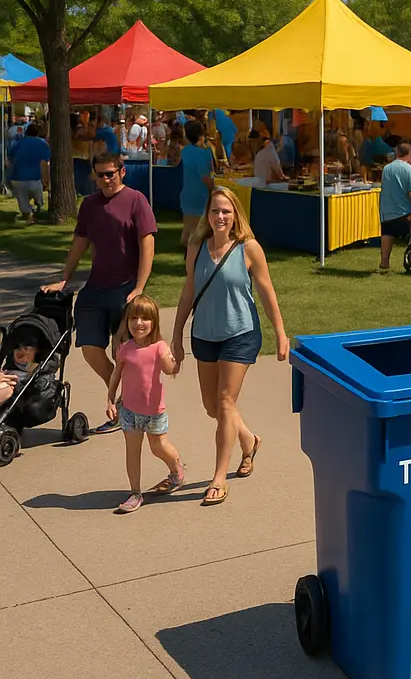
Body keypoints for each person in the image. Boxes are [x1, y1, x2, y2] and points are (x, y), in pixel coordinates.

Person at [171, 187, 288, 507]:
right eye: (214, 211)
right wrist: (176, 334)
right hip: (205, 334)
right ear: (206, 215)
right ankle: (249, 441)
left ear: (235, 214)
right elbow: (188, 291)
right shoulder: (196, 246)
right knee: (214, 407)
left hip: (241, 334)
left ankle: (219, 478)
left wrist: (281, 333)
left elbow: (266, 291)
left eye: (226, 211)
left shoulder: (249, 248)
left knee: (225, 403)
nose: (220, 217)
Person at [40, 152, 156, 434]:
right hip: (94, 289)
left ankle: (129, 404)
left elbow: (147, 244)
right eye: (100, 174)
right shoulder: (90, 205)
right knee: (90, 348)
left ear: (122, 172)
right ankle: (122, 394)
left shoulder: (136, 200)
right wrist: (64, 278)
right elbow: (79, 242)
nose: (105, 179)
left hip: (125, 288)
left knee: (121, 351)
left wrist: (139, 288)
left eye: (110, 173)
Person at [104, 294, 184, 514]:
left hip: (154, 413)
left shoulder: (159, 346)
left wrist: (176, 358)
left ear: (154, 322)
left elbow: (170, 369)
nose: (138, 323)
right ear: (127, 321)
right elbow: (116, 375)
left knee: (158, 447)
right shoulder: (125, 348)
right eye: (133, 318)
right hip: (129, 411)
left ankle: (176, 469)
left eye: (144, 319)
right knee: (132, 451)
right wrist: (110, 399)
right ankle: (135, 492)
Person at [378, 142, 411, 271]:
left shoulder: (386, 168)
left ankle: (384, 262)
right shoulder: (409, 169)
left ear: (397, 152)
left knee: (387, 233)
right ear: (409, 154)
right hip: (403, 212)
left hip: (387, 210)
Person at [178, 119, 216, 248]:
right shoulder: (203, 153)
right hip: (199, 195)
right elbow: (205, 176)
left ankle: (189, 251)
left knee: (188, 230)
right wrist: (213, 189)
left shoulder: (185, 151)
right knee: (196, 234)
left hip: (187, 193)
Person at [8, 123, 50, 223]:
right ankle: (36, 211)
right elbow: (44, 163)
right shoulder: (42, 144)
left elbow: (10, 160)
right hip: (35, 179)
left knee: (23, 202)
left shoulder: (17, 142)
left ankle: (28, 215)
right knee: (39, 201)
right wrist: (46, 180)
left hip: (17, 178)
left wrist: (8, 178)